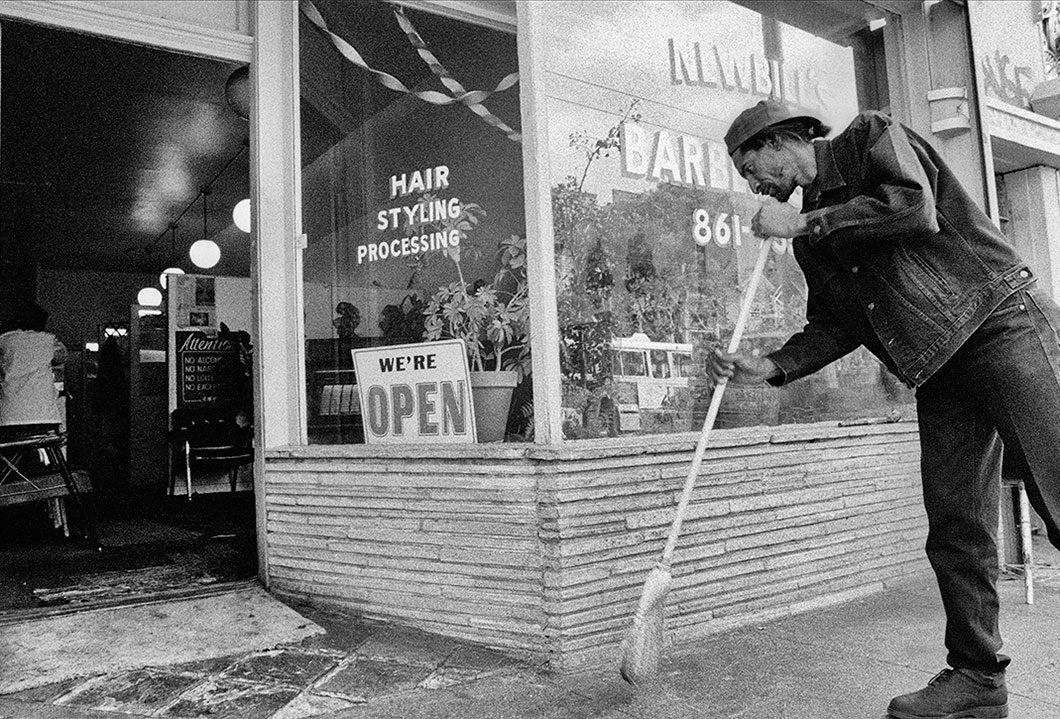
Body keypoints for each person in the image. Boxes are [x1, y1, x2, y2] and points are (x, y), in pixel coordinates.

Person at [711, 99, 1060, 719]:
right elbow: (837, 324)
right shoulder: (813, 243)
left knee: (1056, 487)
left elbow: (913, 207)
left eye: (749, 166)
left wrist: (804, 225)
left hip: (996, 323)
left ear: (779, 140)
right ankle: (978, 679)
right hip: (940, 364)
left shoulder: (868, 139)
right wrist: (771, 366)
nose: (753, 184)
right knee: (955, 521)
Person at [0, 302, 67, 437]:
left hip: (9, 415)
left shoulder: (4, 341)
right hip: (44, 414)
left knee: (11, 453)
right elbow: (62, 357)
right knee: (48, 448)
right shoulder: (48, 340)